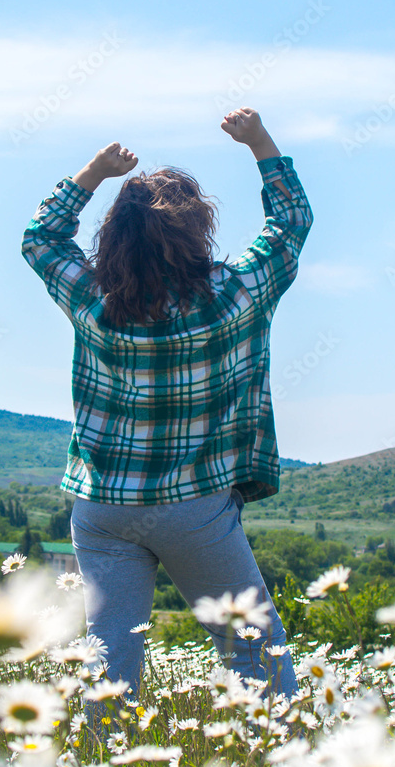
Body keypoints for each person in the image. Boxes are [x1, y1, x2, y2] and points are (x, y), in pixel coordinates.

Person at [21, 107, 314, 699]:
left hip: (101, 507)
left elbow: (41, 238)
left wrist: (95, 172)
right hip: (193, 508)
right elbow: (290, 224)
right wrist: (260, 142)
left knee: (109, 662)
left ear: (115, 237)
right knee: (253, 649)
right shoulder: (236, 295)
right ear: (197, 231)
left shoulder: (96, 303)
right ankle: (293, 766)